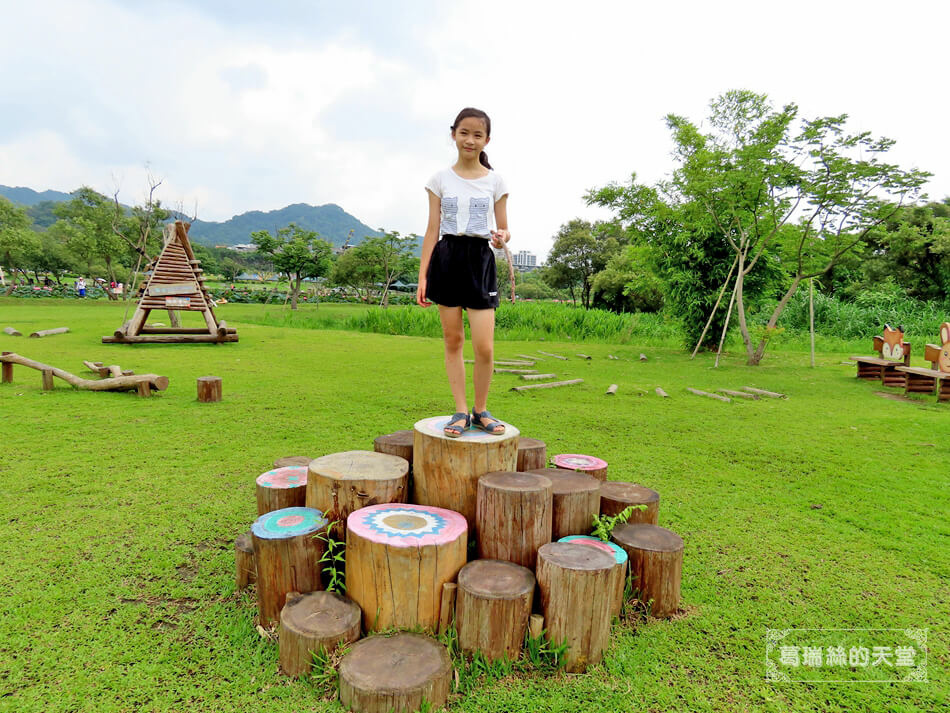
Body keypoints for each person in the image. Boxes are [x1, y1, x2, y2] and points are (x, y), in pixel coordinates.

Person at [417, 107, 511, 438]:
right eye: (464, 133)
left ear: (487, 140)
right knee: (453, 340)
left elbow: (504, 230)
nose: (470, 140)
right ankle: (460, 411)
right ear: (454, 134)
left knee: (484, 347)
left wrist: (501, 238)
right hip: (446, 258)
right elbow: (432, 230)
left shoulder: (496, 181)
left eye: (477, 135)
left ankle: (481, 409)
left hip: (480, 261)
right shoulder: (439, 179)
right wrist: (423, 276)